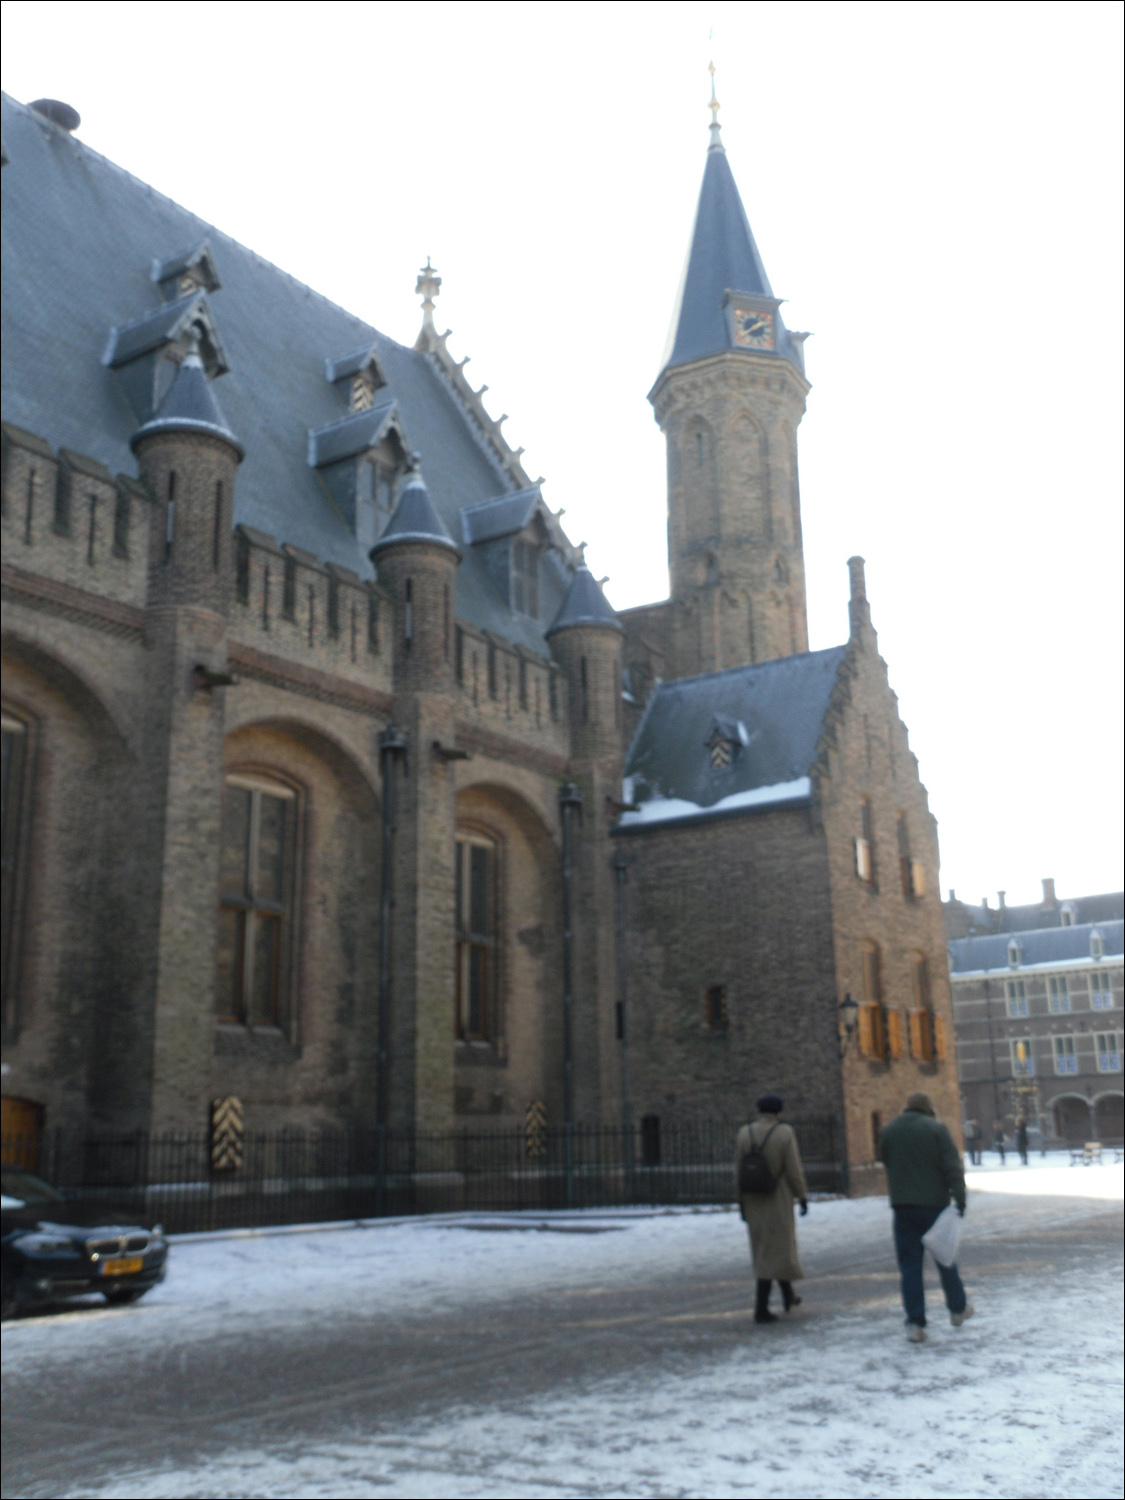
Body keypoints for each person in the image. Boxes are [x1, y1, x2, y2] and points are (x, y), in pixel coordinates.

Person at [878, 1092, 973, 1344]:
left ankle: (915, 1323)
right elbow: (952, 1167)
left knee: (910, 1267)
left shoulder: (889, 1131)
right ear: (928, 1109)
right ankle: (957, 1308)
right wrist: (960, 1198)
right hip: (934, 1207)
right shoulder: (937, 1130)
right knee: (945, 1258)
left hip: (903, 1207)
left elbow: (883, 1158)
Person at [735, 1094, 808, 1324]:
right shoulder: (784, 1133)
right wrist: (802, 1195)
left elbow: (738, 1170)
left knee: (765, 1250)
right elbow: (793, 1169)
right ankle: (761, 1308)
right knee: (778, 1249)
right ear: (778, 1112)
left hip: (752, 1199)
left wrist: (740, 1201)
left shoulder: (744, 1133)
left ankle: (788, 1297)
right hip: (777, 1197)